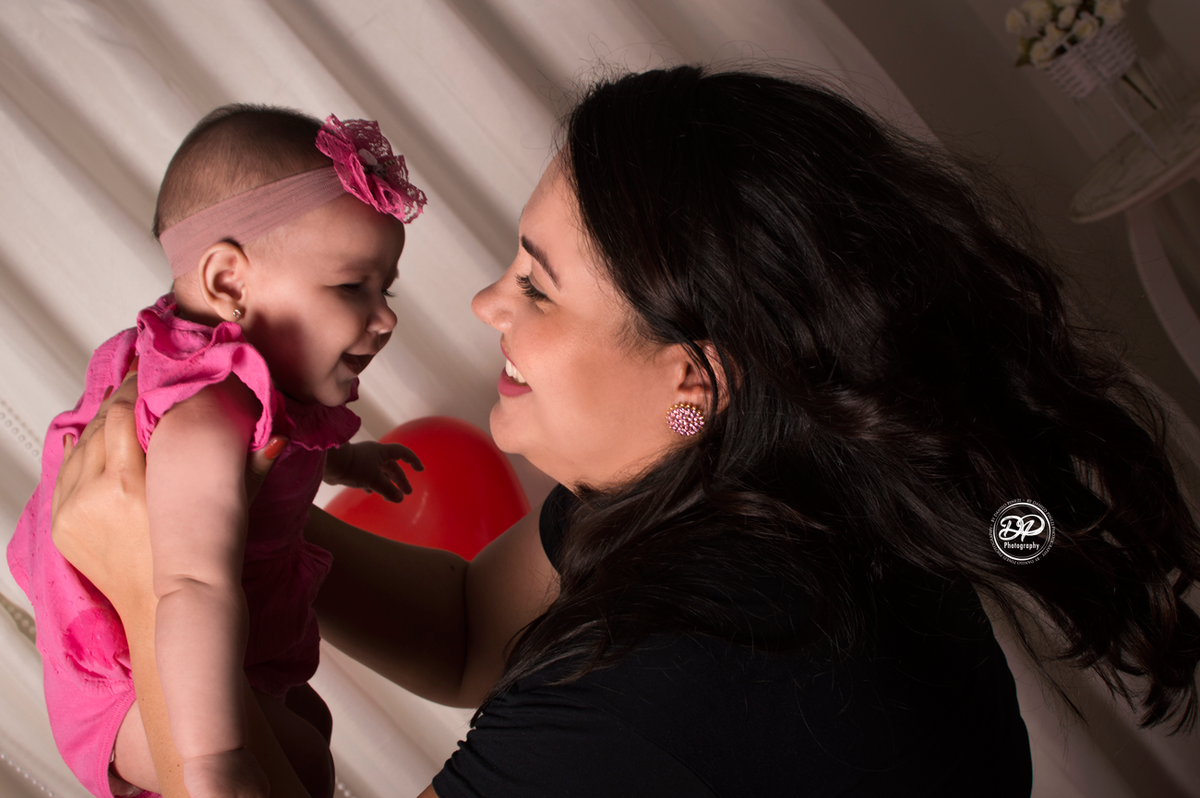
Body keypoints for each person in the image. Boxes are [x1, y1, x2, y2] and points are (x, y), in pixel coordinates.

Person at [50, 66, 1200, 797]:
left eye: (537, 287)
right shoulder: (744, 486)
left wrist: (150, 594)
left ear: (691, 376)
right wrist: (235, 514)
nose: (484, 306)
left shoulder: (676, 685)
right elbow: (468, 631)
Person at [9, 105, 427, 798]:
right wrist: (213, 760)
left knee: (311, 725)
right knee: (304, 765)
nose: (385, 318)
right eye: (353, 286)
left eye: (387, 288)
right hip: (129, 679)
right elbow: (190, 586)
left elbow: (284, 444)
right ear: (229, 282)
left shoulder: (256, 384)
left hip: (197, 647)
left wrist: (348, 461)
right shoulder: (202, 415)